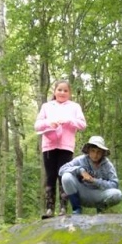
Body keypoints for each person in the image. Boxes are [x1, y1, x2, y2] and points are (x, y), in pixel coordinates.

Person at [34, 80, 86, 218]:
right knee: (50, 176)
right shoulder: (46, 106)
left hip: (66, 146)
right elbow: (37, 125)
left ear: (70, 93)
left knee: (63, 175)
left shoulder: (74, 107)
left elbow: (82, 124)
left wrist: (69, 120)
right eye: (59, 90)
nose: (62, 93)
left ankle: (63, 208)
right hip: (49, 146)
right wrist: (48, 123)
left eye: (65, 91)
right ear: (54, 91)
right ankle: (49, 209)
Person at [58, 136, 122, 214]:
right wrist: (80, 170)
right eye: (93, 151)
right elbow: (62, 170)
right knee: (66, 177)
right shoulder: (80, 160)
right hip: (82, 193)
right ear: (88, 150)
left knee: (117, 194)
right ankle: (77, 209)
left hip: (100, 194)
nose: (95, 155)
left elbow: (115, 184)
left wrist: (94, 181)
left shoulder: (107, 165)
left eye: (99, 152)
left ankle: (101, 209)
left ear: (103, 153)